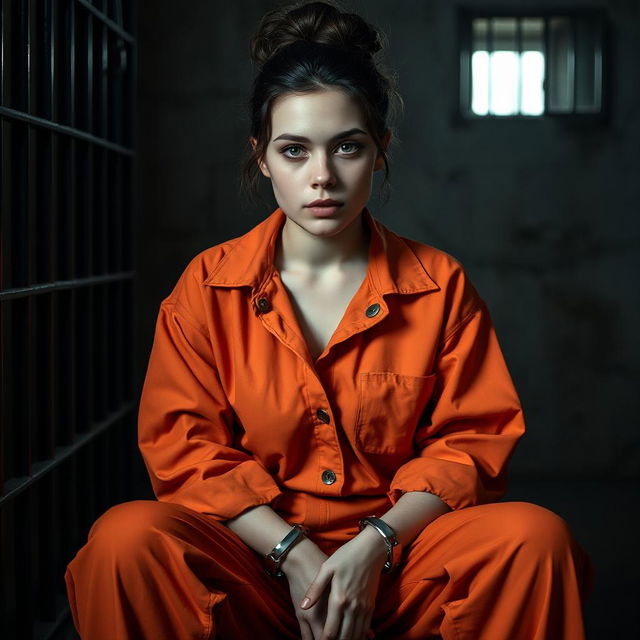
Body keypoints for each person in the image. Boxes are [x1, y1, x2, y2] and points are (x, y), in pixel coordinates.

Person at [64, 2, 594, 639]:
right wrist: (294, 553)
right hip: (254, 566)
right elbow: (186, 453)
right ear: (262, 158)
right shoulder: (206, 287)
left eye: (347, 147)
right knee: (123, 541)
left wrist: (372, 547)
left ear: (380, 152)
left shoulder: (439, 286)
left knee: (533, 540)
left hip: (400, 566)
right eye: (295, 151)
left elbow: (472, 445)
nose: (322, 178)